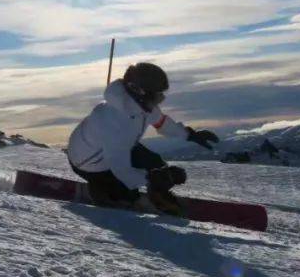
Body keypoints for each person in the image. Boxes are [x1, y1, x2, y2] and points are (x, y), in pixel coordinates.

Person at [67, 62, 219, 214]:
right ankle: (104, 195)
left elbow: (162, 123)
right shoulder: (113, 123)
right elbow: (121, 170)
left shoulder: (141, 105)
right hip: (90, 163)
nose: (161, 99)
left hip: (113, 148)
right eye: (158, 94)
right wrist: (151, 179)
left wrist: (190, 135)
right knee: (127, 193)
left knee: (156, 164)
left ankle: (157, 197)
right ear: (140, 91)